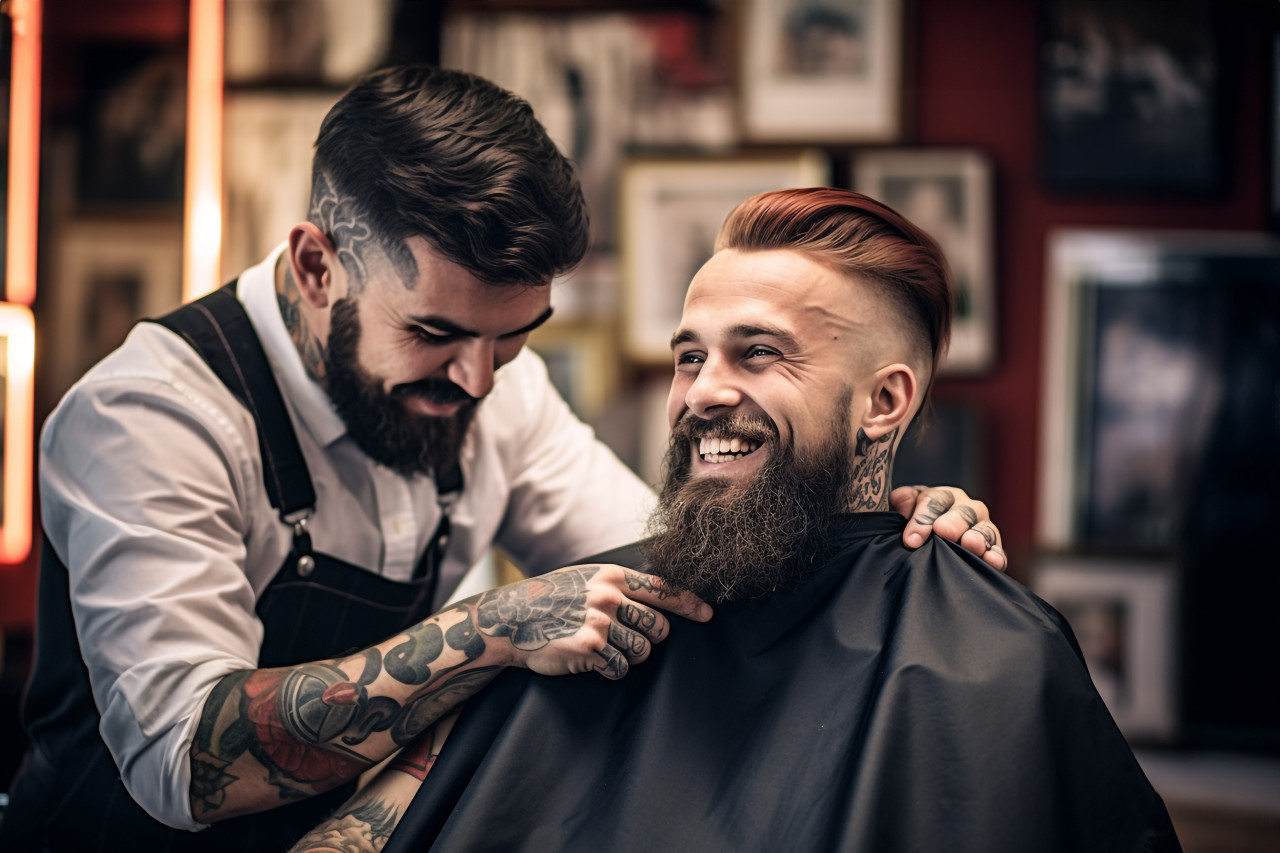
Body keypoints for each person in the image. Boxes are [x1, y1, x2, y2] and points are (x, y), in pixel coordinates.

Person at [0, 68, 1000, 851]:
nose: (478, 381)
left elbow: (678, 568)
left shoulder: (490, 385)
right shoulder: (153, 414)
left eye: (513, 339)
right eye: (435, 332)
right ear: (317, 266)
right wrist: (486, 630)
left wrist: (870, 516)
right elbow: (187, 763)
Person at [294, 188, 1181, 853]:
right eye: (690, 355)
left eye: (757, 352)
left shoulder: (996, 662)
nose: (702, 391)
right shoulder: (577, 617)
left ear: (885, 400)